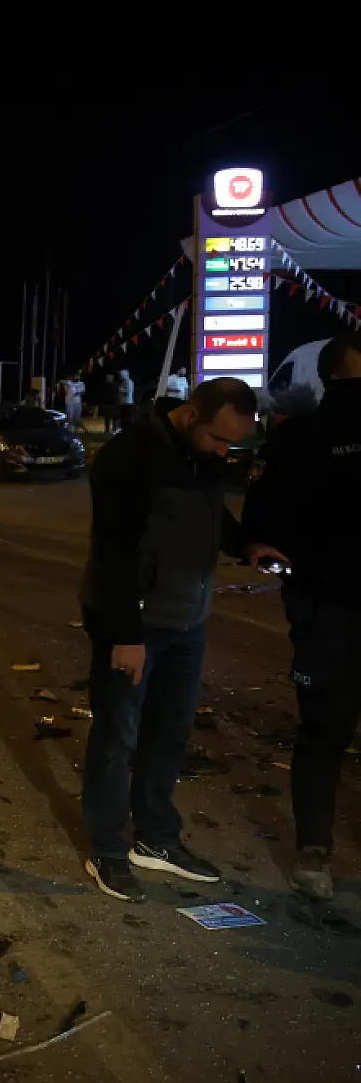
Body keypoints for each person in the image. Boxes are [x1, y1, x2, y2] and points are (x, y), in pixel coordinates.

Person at [79, 377, 260, 901]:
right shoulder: (130, 456)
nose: (225, 453)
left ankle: (155, 841)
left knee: (170, 734)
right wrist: (126, 636)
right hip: (134, 626)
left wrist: (247, 545)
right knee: (118, 738)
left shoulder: (205, 455)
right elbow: (114, 552)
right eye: (219, 440)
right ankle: (108, 851)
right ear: (189, 416)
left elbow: (211, 516)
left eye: (234, 444)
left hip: (187, 621)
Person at [242, 333, 361, 900]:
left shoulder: (298, 439)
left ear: (327, 373)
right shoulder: (302, 438)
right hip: (324, 610)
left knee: (322, 736)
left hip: (323, 612)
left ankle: (314, 856)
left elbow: (260, 522)